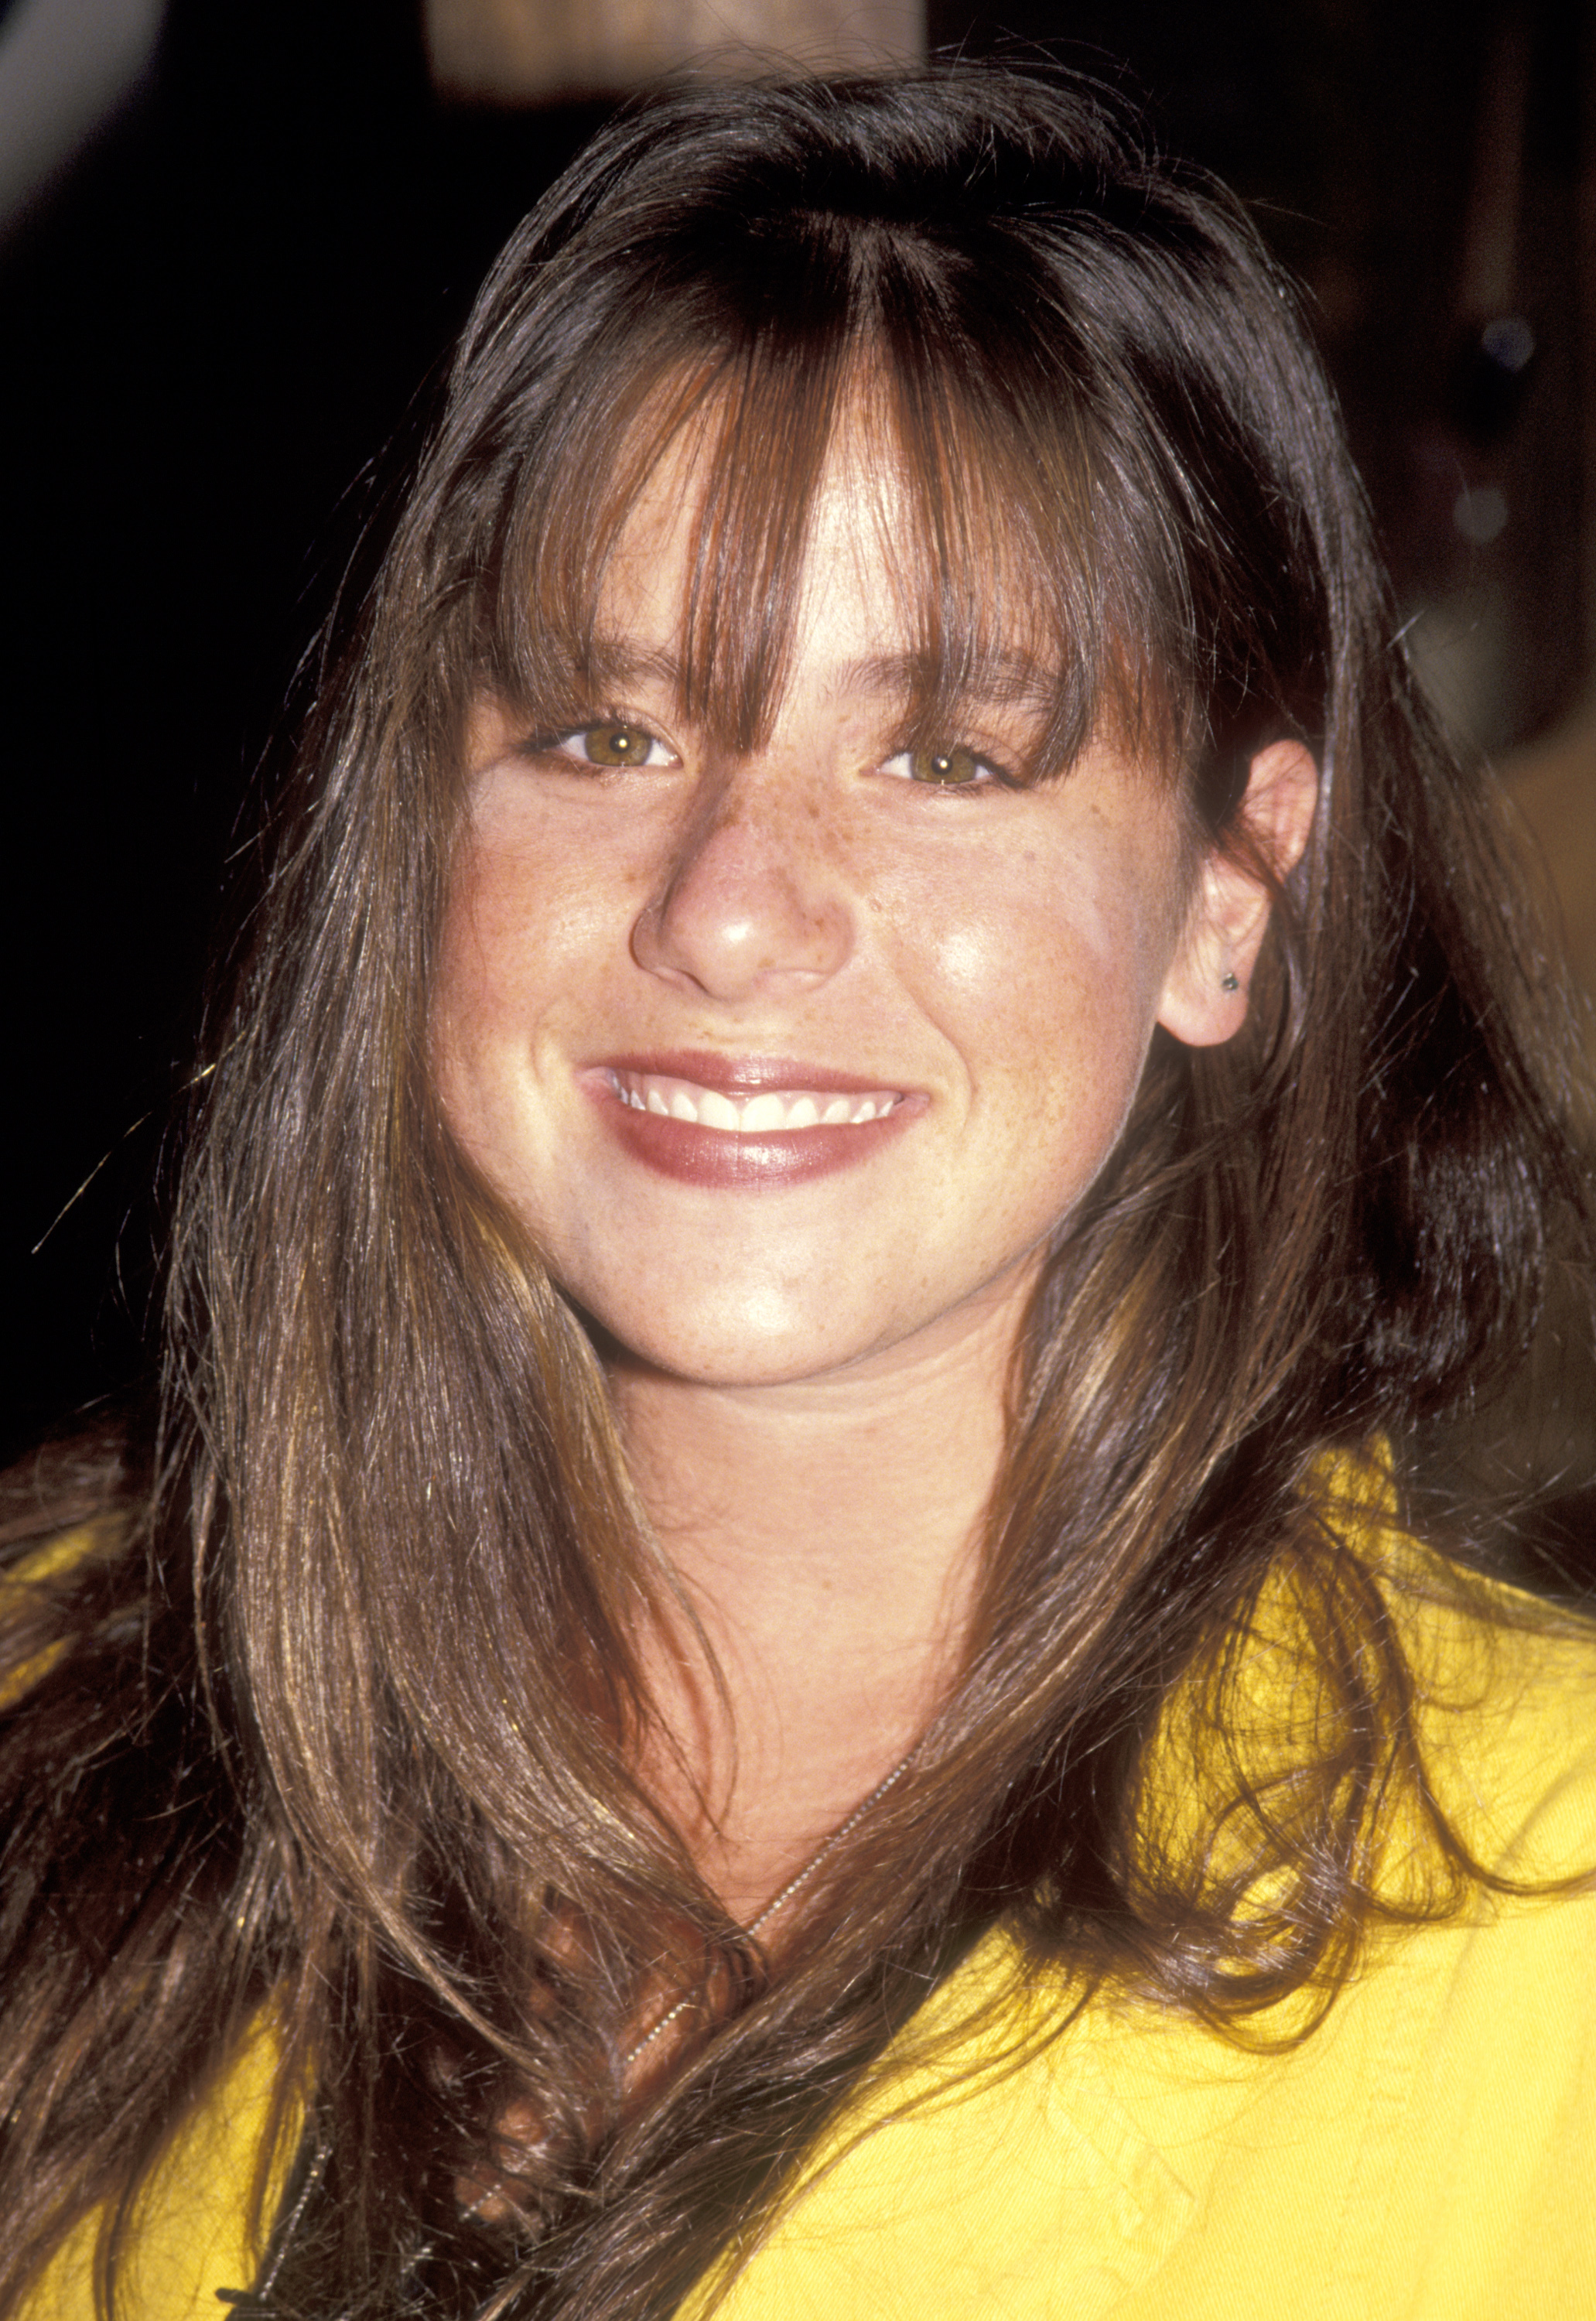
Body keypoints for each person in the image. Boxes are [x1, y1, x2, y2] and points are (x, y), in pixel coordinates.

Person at [3, 61, 1594, 2321]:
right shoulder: (52, 1692)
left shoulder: (1555, 1918)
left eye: (947, 756)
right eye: (609, 732)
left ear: (1232, 894)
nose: (732, 912)